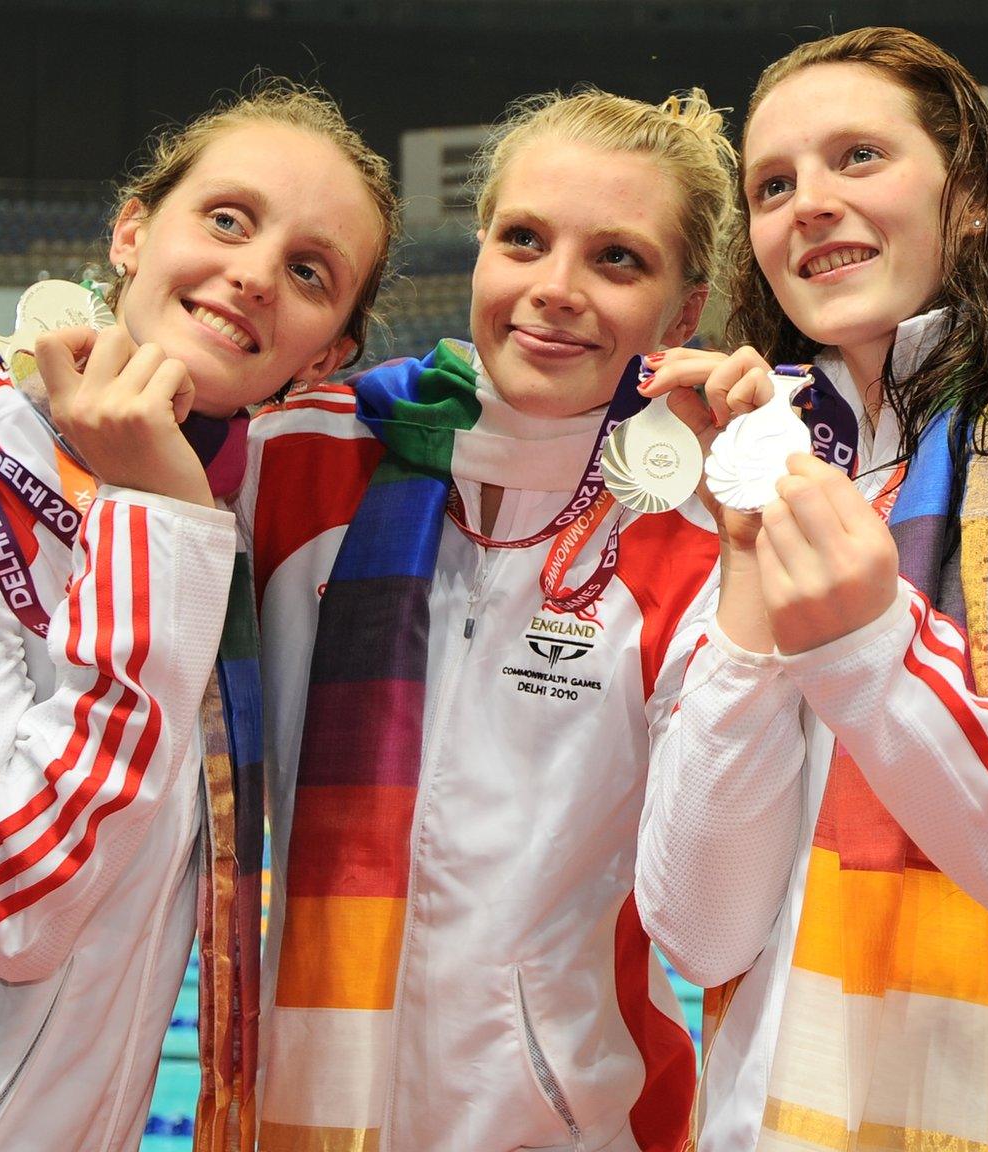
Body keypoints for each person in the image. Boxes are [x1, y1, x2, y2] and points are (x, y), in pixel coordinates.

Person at [0, 82, 395, 1152]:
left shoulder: (249, 499)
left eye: (307, 272)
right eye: (228, 220)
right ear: (134, 231)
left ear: (325, 356)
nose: (250, 275)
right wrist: (159, 523)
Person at [635, 27, 988, 1152]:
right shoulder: (754, 472)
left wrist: (871, 646)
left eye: (857, 157)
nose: (808, 202)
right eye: (774, 185)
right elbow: (701, 932)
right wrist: (750, 555)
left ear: (966, 195)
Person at [245, 88, 732, 1152]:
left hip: (567, 1127)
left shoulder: (700, 542)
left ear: (682, 314)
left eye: (617, 259)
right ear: (479, 251)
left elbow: (714, 915)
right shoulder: (304, 458)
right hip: (292, 1108)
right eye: (523, 239)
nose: (552, 290)